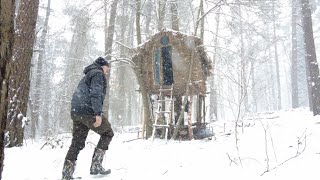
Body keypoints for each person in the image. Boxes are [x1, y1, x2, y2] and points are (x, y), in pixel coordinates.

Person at [62, 57, 114, 180]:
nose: (108, 70)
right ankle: (96, 166)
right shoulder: (97, 74)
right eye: (107, 67)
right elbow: (95, 93)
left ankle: (67, 174)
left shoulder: (88, 74)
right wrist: (97, 113)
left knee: (77, 142)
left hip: (76, 112)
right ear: (103, 66)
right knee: (108, 133)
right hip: (88, 110)